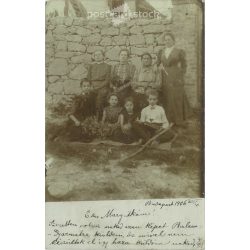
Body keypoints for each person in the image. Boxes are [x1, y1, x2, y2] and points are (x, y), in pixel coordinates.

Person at [157, 32, 191, 125]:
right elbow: (157, 64)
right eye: (165, 40)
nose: (167, 41)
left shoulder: (179, 51)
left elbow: (184, 65)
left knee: (176, 99)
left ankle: (179, 121)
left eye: (169, 39)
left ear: (173, 41)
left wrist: (181, 75)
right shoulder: (161, 52)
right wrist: (159, 69)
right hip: (164, 77)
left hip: (176, 77)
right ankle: (168, 120)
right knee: (167, 98)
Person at [87, 50, 111, 120]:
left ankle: (99, 117)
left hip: (103, 86)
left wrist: (98, 87)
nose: (97, 56)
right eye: (96, 55)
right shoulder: (91, 66)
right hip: (92, 86)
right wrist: (91, 86)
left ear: (103, 56)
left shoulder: (108, 66)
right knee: (87, 96)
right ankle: (89, 116)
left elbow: (107, 80)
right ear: (94, 57)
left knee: (100, 98)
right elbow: (88, 78)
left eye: (99, 55)